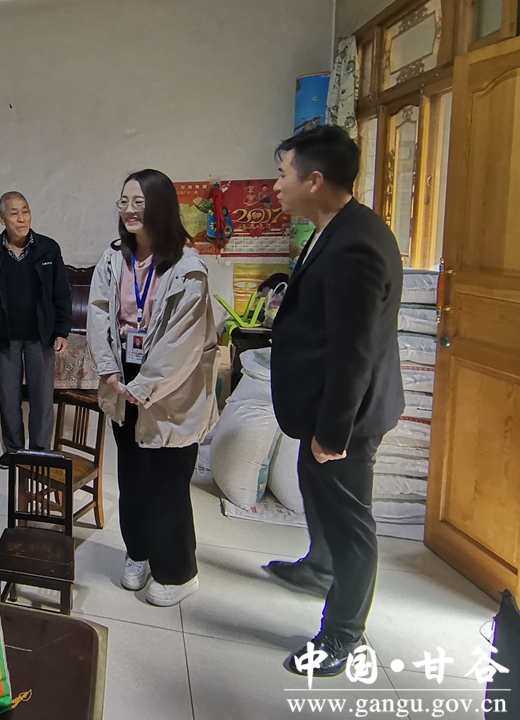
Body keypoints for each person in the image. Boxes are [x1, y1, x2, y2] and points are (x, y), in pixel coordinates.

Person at [266, 125, 403, 677]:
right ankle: (319, 566)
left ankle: (344, 635)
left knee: (350, 524)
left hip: (346, 415)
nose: (277, 185)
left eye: (283, 174)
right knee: (313, 489)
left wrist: (333, 434)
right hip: (321, 404)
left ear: (314, 180)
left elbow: (355, 352)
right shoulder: (335, 227)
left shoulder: (356, 246)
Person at [86, 169, 219, 607]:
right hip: (122, 376)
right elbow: (99, 313)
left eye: (139, 202)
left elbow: (182, 343)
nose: (129, 210)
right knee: (133, 475)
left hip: (172, 386)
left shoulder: (188, 268)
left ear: (161, 206)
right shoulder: (113, 258)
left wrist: (143, 387)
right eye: (124, 202)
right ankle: (138, 551)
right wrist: (109, 369)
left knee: (167, 482)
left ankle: (178, 572)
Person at [0, 192, 72, 468]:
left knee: (42, 399)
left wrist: (62, 330)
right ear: (2, 219)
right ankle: (13, 450)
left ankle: (40, 451)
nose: (21, 218)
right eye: (14, 213)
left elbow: (61, 293)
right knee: (9, 398)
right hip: (5, 336)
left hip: (41, 336)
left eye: (25, 211)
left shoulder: (48, 248)